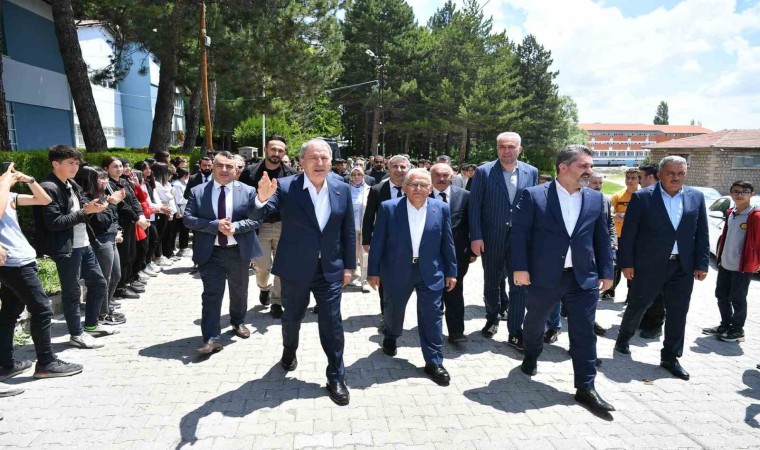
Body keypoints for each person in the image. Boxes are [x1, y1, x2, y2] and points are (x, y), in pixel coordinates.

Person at [251, 138, 355, 406]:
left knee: (332, 323)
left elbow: (347, 231)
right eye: (313, 158)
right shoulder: (287, 187)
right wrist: (261, 198)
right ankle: (289, 350)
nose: (320, 163)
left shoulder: (342, 188)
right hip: (295, 269)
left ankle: (336, 375)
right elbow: (262, 211)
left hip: (329, 270)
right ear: (302, 162)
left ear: (331, 161)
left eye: (325, 158)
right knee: (292, 317)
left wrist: (349, 266)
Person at [512, 145, 614, 415]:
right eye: (583, 166)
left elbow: (602, 238)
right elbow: (519, 234)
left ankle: (586, 387)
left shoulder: (596, 199)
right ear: (563, 167)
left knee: (584, 332)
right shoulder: (535, 195)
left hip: (582, 278)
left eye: (590, 166)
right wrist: (520, 268)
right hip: (544, 276)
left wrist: (607, 271)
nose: (589, 171)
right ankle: (531, 354)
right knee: (534, 322)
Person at [615, 156, 710, 381]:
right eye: (671, 173)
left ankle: (670, 357)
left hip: (682, 266)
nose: (676, 177)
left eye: (681, 173)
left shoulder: (696, 197)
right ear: (659, 174)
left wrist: (702, 263)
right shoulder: (642, 197)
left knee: (678, 312)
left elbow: (702, 232)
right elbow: (629, 234)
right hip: (649, 265)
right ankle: (624, 337)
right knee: (639, 303)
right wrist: (627, 263)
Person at [368, 168, 456, 385]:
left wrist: (451, 271)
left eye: (423, 185)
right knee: (393, 310)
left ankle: (434, 361)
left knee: (432, 316)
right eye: (413, 184)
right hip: (396, 270)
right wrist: (373, 271)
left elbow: (448, 242)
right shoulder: (388, 208)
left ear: (430, 188)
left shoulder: (441, 208)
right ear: (405, 187)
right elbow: (378, 241)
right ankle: (391, 335)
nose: (418, 188)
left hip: (430, 272)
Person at [0, 164, 83, 381]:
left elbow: (44, 200)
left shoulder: (9, 196)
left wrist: (29, 180)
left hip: (20, 260)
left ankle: (5, 364)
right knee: (43, 309)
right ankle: (46, 363)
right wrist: (5, 182)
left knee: (9, 312)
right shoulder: (3, 193)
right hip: (14, 263)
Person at [32, 145, 114, 349]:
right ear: (55, 164)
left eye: (77, 163)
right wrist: (85, 212)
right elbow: (54, 222)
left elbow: (81, 208)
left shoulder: (71, 184)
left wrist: (95, 206)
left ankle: (91, 325)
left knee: (98, 283)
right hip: (66, 247)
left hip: (83, 243)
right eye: (70, 163)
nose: (75, 167)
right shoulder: (48, 187)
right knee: (72, 291)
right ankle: (76, 334)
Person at [184, 151, 263, 355]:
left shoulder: (248, 191)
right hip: (210, 253)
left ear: (236, 169)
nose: (224, 170)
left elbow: (256, 219)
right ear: (213, 167)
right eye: (220, 165)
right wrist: (214, 225)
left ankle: (238, 322)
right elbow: (188, 219)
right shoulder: (198, 191)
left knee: (239, 291)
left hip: (238, 251)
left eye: (229, 166)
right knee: (211, 295)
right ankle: (211, 338)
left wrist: (236, 227)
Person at [469, 132, 538, 350]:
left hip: (521, 239)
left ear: (520, 149)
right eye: (502, 147)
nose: (506, 151)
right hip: (492, 237)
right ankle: (492, 317)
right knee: (492, 281)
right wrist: (476, 236)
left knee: (520, 284)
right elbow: (475, 206)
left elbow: (534, 204)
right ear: (497, 148)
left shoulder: (531, 171)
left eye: (511, 147)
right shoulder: (484, 171)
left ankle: (515, 330)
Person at [239, 135, 296, 318]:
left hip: (283, 226)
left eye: (280, 150)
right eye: (273, 149)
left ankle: (277, 301)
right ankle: (264, 287)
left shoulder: (292, 175)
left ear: (284, 153)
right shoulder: (249, 173)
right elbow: (242, 201)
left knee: (282, 266)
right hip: (259, 226)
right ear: (265, 149)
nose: (276, 153)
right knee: (262, 267)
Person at [703, 181, 759, 342]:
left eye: (744, 191)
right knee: (722, 296)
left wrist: (757, 262)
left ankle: (737, 330)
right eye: (736, 191)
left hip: (742, 267)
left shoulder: (755, 216)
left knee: (738, 299)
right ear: (731, 193)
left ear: (752, 194)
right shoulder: (731, 212)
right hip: (725, 263)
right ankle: (725, 325)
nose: (739, 195)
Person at [361, 155, 411, 324]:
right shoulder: (377, 190)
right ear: (388, 169)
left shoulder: (416, 189)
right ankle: (386, 316)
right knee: (386, 280)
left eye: (403, 167)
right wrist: (366, 240)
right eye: (395, 166)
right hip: (385, 242)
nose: (399, 170)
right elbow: (369, 216)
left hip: (411, 243)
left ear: (408, 169)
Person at [74, 166, 126, 326]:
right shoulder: (86, 199)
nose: (105, 181)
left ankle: (106, 308)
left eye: (106, 178)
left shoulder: (102, 196)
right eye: (101, 178)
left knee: (115, 276)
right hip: (99, 240)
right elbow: (101, 222)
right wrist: (111, 203)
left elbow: (113, 218)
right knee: (104, 278)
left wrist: (117, 230)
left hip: (111, 238)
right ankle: (101, 314)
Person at [429, 163, 474, 343]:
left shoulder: (465, 196)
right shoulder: (421, 194)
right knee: (432, 292)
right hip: (429, 254)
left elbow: (471, 223)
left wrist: (472, 250)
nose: (441, 179)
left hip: (457, 254)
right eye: (437, 175)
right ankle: (432, 330)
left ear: (452, 176)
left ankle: (456, 332)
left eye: (445, 175)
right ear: (431, 176)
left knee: (455, 291)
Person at [635, 164, 666, 339]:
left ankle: (655, 324)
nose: (638, 181)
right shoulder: (643, 196)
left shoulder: (663, 198)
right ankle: (645, 319)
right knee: (644, 291)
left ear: (651, 177)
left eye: (640, 177)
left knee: (657, 293)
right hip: (643, 254)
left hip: (659, 255)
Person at [602, 168, 640, 300]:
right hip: (618, 236)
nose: (630, 181)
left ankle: (631, 293)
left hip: (635, 237)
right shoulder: (618, 196)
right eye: (628, 178)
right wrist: (627, 217)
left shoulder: (642, 195)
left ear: (639, 179)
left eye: (633, 178)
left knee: (632, 265)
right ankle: (610, 290)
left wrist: (623, 216)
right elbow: (610, 214)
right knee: (615, 265)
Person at [348, 167, 371, 292]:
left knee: (365, 255)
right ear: (350, 176)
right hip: (351, 228)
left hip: (365, 227)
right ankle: (352, 278)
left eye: (359, 174)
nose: (356, 177)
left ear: (363, 176)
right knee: (352, 254)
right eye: (354, 174)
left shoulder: (369, 189)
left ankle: (365, 280)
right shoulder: (346, 189)